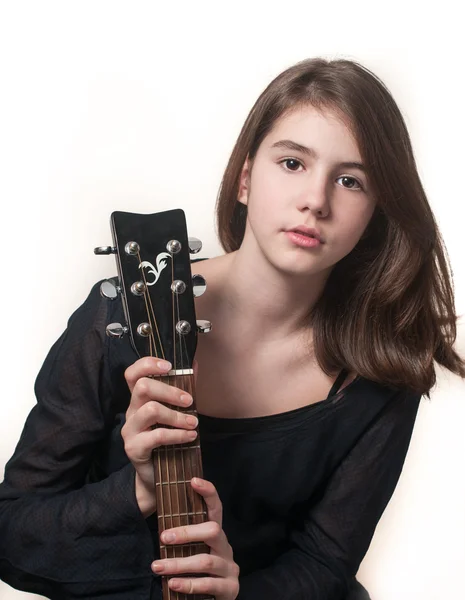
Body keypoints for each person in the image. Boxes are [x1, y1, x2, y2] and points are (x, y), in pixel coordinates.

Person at [0, 57, 464, 600]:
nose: (316, 200)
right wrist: (138, 491)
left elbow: (326, 562)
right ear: (245, 179)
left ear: (374, 214)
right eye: (292, 163)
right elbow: (11, 537)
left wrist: (242, 594)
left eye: (349, 180)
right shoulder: (124, 318)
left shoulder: (381, 369)